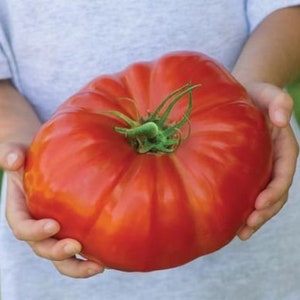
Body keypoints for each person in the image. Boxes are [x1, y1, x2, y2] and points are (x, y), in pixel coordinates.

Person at [0, 1, 300, 299]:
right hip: (56, 256)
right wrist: (30, 156)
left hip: (258, 246)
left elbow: (289, 9)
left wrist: (250, 90)